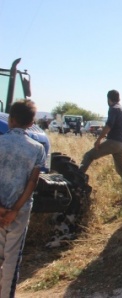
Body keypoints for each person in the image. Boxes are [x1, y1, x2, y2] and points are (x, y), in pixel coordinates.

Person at [0, 99, 46, 297]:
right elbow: (32, 183)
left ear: (10, 120)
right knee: (12, 258)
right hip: (20, 212)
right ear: (31, 123)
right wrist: (15, 210)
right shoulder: (37, 149)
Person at [79, 90, 122, 196]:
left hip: (113, 142)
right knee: (121, 170)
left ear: (109, 99)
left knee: (89, 155)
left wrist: (99, 139)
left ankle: (76, 180)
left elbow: (109, 125)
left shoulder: (113, 109)